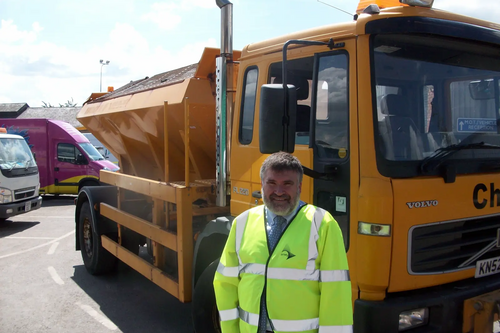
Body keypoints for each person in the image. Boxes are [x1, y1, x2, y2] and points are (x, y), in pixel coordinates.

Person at [213, 152, 353, 333]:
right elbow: (225, 284)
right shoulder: (242, 223)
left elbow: (336, 294)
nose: (279, 192)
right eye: (271, 183)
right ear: (262, 185)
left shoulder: (322, 224)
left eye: (287, 184)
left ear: (299, 187)